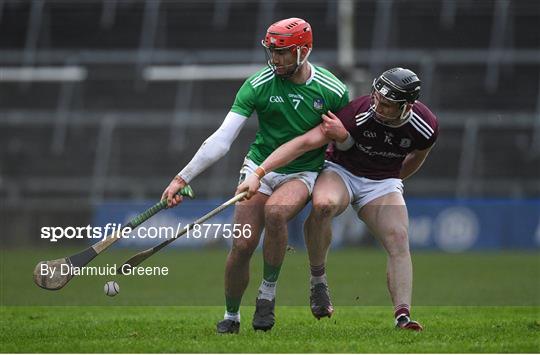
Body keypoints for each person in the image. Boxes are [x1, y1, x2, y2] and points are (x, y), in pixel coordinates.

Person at [161, 18, 349, 334]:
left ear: (303, 51)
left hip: (301, 172)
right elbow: (222, 138)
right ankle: (231, 316)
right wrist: (182, 178)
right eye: (271, 51)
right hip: (258, 168)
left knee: (276, 213)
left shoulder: (332, 90)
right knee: (242, 245)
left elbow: (344, 141)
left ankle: (267, 295)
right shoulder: (259, 84)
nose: (275, 59)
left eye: (283, 52)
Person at [237, 67, 439, 331]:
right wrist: (261, 171)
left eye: (387, 104)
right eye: (376, 97)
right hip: (342, 172)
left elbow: (417, 157)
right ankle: (318, 281)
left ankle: (403, 317)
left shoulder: (426, 126)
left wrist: (392, 181)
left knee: (399, 238)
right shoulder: (357, 112)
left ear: (407, 106)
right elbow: (304, 143)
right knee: (324, 205)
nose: (377, 106)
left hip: (382, 182)